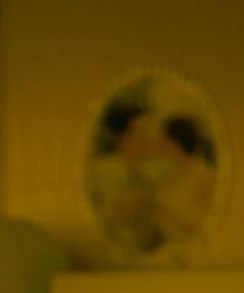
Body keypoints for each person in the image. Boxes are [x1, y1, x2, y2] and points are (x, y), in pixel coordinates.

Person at [89, 102, 163, 254]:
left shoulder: (145, 175)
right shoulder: (103, 171)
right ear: (122, 138)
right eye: (141, 132)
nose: (148, 138)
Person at [153, 116, 215, 243]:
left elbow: (208, 226)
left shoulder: (204, 175)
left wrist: (170, 217)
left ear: (176, 144)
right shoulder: (167, 176)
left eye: (163, 141)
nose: (158, 146)